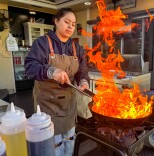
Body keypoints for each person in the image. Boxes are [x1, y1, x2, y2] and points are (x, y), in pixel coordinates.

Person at [24, 8, 90, 156]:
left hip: (69, 105)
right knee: (52, 147)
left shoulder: (76, 47)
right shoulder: (42, 43)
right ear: (56, 21)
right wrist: (51, 71)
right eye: (67, 22)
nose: (70, 27)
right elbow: (30, 67)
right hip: (48, 105)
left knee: (69, 142)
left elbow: (82, 71)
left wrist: (84, 81)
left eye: (73, 24)